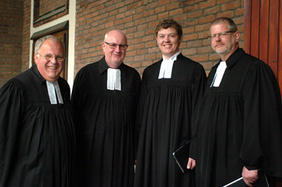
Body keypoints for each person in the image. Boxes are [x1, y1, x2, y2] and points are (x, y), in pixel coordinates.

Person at [194, 17, 282, 187]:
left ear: (236, 36)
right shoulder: (214, 71)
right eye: (213, 36)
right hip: (211, 159)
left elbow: (259, 118)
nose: (217, 39)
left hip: (236, 163)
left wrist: (252, 162)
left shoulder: (254, 68)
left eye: (222, 34)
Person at [134, 18, 206, 187]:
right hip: (150, 145)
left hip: (179, 142)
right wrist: (138, 148)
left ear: (179, 38)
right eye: (161, 36)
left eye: (171, 36)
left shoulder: (194, 70)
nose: (166, 40)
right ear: (157, 40)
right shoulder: (149, 72)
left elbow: (200, 114)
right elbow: (141, 113)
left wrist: (195, 149)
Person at [0, 35, 75, 186]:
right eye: (48, 56)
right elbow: (4, 138)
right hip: (31, 177)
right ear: (36, 57)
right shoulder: (18, 88)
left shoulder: (64, 87)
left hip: (61, 175)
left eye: (59, 57)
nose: (53, 62)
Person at [71, 30, 141, 187]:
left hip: (123, 151)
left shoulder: (133, 76)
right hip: (92, 152)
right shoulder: (86, 74)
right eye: (113, 45)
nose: (118, 50)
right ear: (103, 46)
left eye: (122, 46)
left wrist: (136, 151)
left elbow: (138, 116)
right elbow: (74, 114)